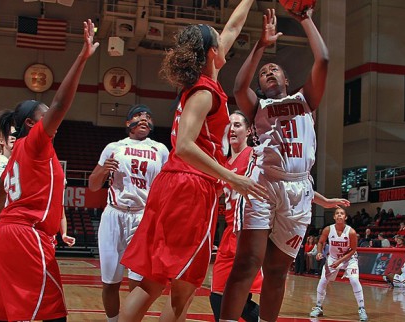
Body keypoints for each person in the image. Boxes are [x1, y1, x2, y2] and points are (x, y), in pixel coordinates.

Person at [120, 1, 267, 320]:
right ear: (212, 52)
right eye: (219, 40)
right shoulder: (204, 92)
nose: (225, 39)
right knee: (183, 289)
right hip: (190, 187)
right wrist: (232, 178)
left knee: (153, 282)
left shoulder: (201, 81)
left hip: (173, 184)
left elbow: (232, 28)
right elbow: (185, 145)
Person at [220, 7, 329, 321]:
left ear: (286, 79)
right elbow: (239, 88)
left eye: (273, 69)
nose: (267, 72)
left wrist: (305, 18)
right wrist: (261, 46)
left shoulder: (306, 100)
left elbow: (323, 60)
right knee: (247, 263)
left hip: (299, 189)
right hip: (264, 183)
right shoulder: (259, 106)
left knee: (278, 271)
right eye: (263, 72)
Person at [0, 20, 98, 322]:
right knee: (52, 314)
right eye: (44, 114)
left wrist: (4, 220)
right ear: (30, 123)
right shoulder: (34, 142)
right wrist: (82, 57)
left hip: (4, 234)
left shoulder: (14, 157)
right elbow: (62, 103)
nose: (50, 116)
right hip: (27, 235)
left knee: (9, 315)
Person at [88, 104, 169, 322]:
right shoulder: (114, 147)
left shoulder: (160, 149)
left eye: (148, 116)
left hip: (143, 216)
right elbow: (93, 185)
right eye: (138, 115)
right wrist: (104, 169)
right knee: (110, 281)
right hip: (114, 214)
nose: (144, 119)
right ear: (128, 123)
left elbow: (167, 186)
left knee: (138, 280)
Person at [209, 111, 262, 322]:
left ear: (248, 131)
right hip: (228, 235)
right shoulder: (222, 163)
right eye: (229, 125)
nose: (232, 129)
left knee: (235, 300)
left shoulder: (254, 155)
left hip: (247, 233)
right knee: (217, 297)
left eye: (238, 125)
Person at [310, 207, 368, 321]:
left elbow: (353, 250)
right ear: (334, 217)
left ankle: (362, 309)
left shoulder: (351, 232)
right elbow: (321, 242)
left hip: (349, 259)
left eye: (342, 213)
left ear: (345, 217)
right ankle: (318, 307)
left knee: (354, 280)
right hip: (333, 258)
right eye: (337, 213)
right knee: (323, 281)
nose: (339, 215)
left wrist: (340, 261)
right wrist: (319, 253)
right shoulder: (328, 229)